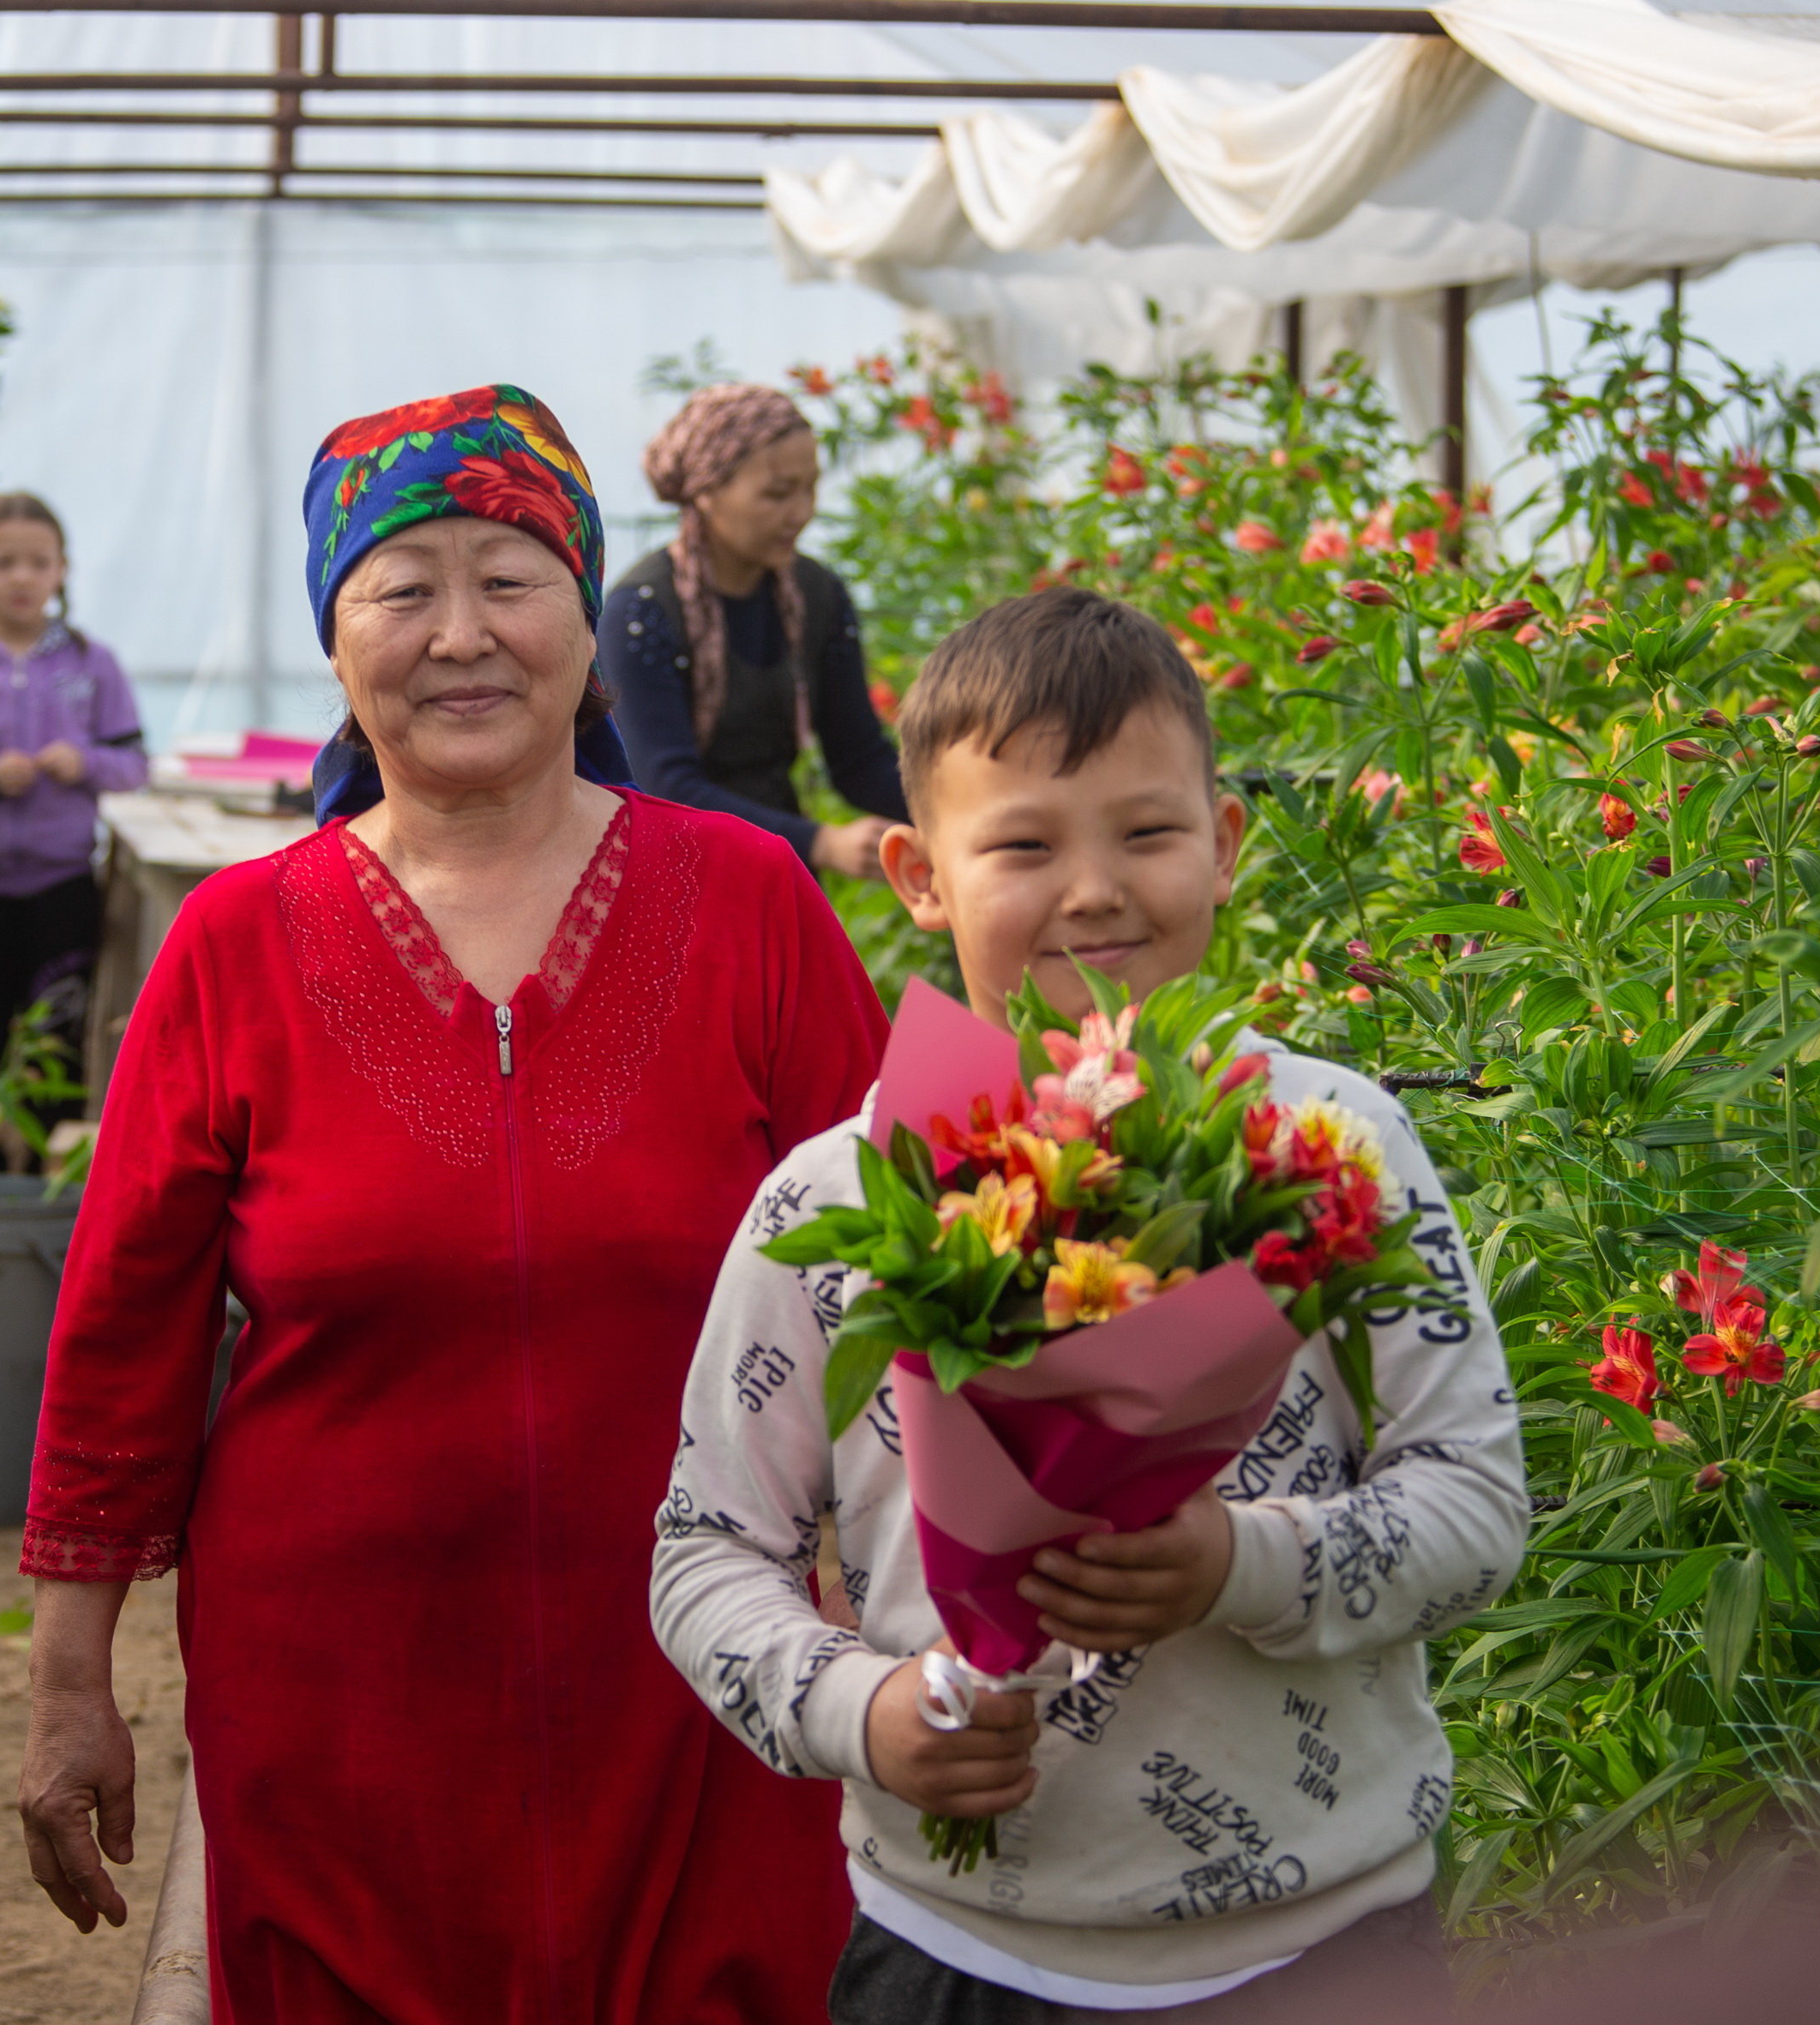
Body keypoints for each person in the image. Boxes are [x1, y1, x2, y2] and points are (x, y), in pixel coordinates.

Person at [15, 384, 890, 2023]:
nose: (460, 631)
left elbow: (892, 1283)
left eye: (511, 575)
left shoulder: (750, 904)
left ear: (587, 610)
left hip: (705, 1674)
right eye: (402, 586)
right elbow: (120, 1334)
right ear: (335, 642)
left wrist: (922, 1613)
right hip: (335, 1692)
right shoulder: (235, 941)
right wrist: (70, 1681)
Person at [652, 587, 1528, 2022]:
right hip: (960, 1957)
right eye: (1019, 843)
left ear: (1225, 842)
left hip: (1328, 1946)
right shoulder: (838, 1199)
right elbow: (703, 1551)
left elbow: (1477, 1505)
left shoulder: (1331, 1151)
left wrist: (1238, 1562)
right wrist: (859, 1711)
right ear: (915, 873)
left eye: (1146, 830)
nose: (1092, 889)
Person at [605, 382, 909, 881]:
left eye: (810, 487)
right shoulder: (640, 614)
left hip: (776, 873)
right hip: (669, 878)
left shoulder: (816, 596)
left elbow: (858, 759)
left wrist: (957, 811)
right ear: (708, 493)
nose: (802, 511)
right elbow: (665, 789)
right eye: (777, 493)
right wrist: (820, 842)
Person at [0, 490, 147, 1067]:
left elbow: (134, 766)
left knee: (58, 1047)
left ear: (61, 571)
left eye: (39, 563)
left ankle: (40, 1158)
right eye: (3, 562)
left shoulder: (94, 663)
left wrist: (84, 762)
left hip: (62, 890)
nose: (22, 577)